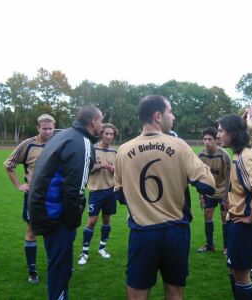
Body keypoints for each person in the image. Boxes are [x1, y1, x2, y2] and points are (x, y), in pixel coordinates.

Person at [114, 95, 216, 300]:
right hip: (175, 232)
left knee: (137, 292)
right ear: (158, 116)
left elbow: (121, 195)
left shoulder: (123, 150)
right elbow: (208, 185)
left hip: (142, 233)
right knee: (174, 291)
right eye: (170, 111)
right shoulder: (179, 146)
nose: (174, 116)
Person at [28, 105, 103, 300]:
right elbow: (75, 189)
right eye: (101, 121)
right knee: (60, 272)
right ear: (93, 121)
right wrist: (72, 223)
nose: (102, 125)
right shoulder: (82, 142)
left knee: (59, 267)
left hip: (43, 211)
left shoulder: (62, 136)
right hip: (57, 217)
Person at [217, 114, 252, 300]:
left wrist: (251, 216)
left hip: (244, 225)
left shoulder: (244, 158)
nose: (218, 135)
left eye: (221, 130)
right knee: (235, 268)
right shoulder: (244, 153)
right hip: (240, 221)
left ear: (232, 133)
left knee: (242, 276)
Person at [4, 114, 55, 283]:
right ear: (38, 128)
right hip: (35, 196)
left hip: (55, 196)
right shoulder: (28, 144)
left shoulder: (58, 143)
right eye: (44, 128)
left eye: (50, 128)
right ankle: (32, 271)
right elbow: (9, 165)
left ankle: (56, 264)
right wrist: (19, 185)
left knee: (54, 231)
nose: (48, 131)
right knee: (32, 231)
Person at [77, 123, 119, 265]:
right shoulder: (92, 149)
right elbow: (85, 169)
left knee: (107, 220)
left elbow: (119, 173)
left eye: (111, 134)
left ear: (114, 136)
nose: (108, 136)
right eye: (106, 133)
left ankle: (102, 248)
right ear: (101, 134)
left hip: (110, 190)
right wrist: (99, 166)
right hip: (96, 191)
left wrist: (114, 170)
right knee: (92, 221)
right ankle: (84, 252)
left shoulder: (115, 152)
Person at [197, 127, 231, 254]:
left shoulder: (224, 156)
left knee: (224, 217)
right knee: (207, 215)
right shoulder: (200, 155)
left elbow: (229, 178)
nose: (207, 142)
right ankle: (210, 245)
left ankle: (227, 247)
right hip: (208, 192)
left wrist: (227, 197)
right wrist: (200, 196)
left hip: (223, 192)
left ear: (215, 140)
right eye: (205, 139)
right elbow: (199, 178)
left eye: (210, 139)